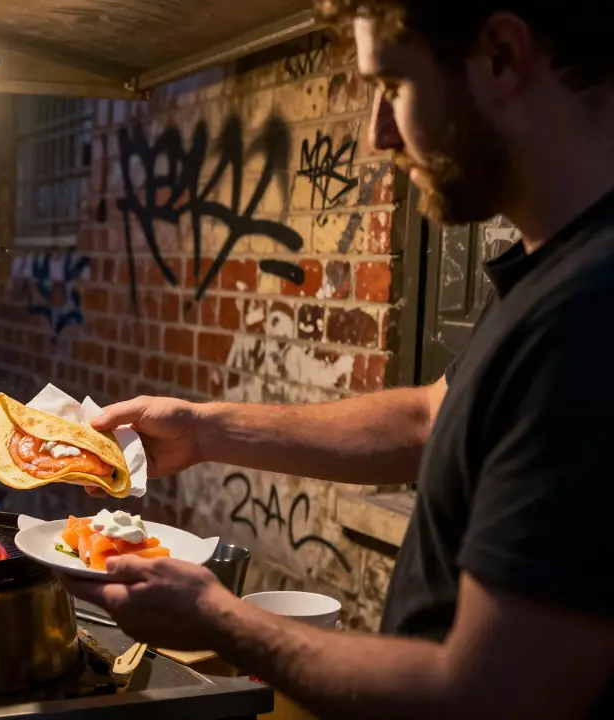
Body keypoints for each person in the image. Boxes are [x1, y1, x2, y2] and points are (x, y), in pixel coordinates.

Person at [62, 2, 614, 718]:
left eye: (393, 88)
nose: (379, 133)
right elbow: (427, 421)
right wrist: (203, 431)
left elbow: (485, 695)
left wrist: (217, 617)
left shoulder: (588, 314)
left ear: (502, 57)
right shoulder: (554, 276)